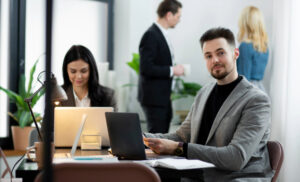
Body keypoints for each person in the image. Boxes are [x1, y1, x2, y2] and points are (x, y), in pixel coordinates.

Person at [143, 28, 273, 181]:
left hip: (236, 177)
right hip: (202, 173)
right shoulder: (204, 93)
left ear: (235, 54)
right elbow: (181, 136)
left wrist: (178, 149)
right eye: (208, 56)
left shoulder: (257, 100)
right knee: (144, 173)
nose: (215, 60)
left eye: (221, 53)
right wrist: (142, 139)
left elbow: (236, 158)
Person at [138, 0, 185, 134]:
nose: (179, 20)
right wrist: (172, 70)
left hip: (162, 98)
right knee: (156, 139)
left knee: (162, 136)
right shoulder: (151, 35)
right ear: (169, 15)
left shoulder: (162, 34)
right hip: (154, 99)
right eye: (178, 16)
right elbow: (146, 68)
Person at [60, 45, 117, 110]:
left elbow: (114, 120)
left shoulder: (108, 96)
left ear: (91, 70)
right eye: (73, 71)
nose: (79, 76)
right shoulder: (57, 96)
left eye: (84, 71)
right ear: (66, 71)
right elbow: (48, 119)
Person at [237, 6, 269, 92]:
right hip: (260, 90)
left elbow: (244, 80)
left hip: (248, 92)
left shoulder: (245, 46)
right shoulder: (264, 46)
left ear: (245, 23)